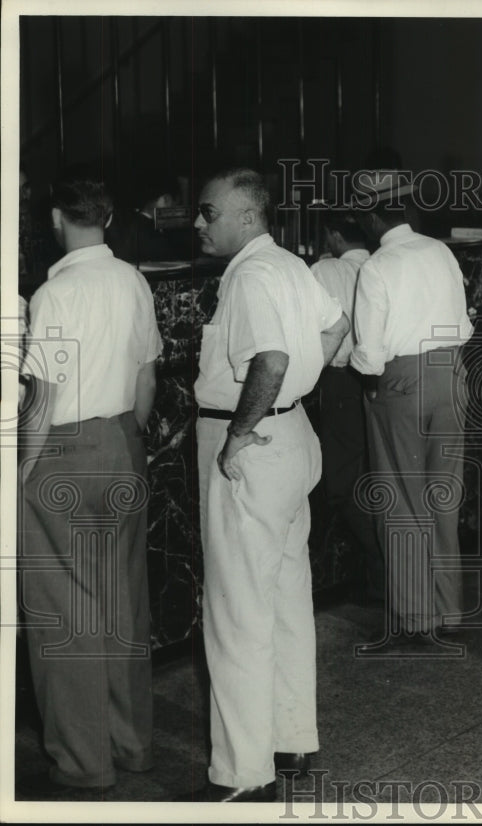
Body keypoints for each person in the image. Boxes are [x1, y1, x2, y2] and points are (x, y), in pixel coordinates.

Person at [183, 168, 349, 802]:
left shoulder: (251, 276)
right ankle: (292, 740)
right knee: (283, 594)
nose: (198, 223)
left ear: (246, 216)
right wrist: (298, 389)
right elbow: (335, 328)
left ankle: (242, 774)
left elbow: (270, 360)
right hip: (292, 439)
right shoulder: (288, 264)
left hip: (248, 443)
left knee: (236, 610)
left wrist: (238, 432)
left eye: (207, 211)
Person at [18, 170, 161, 795]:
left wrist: (21, 471)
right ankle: (133, 747)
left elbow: (42, 400)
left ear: (56, 220)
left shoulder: (56, 294)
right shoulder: (132, 279)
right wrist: (126, 437)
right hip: (123, 442)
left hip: (65, 454)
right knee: (122, 602)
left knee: (65, 612)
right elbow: (148, 379)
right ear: (106, 216)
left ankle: (83, 762)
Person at [349, 169, 473, 651]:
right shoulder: (440, 250)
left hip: (400, 380)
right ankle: (450, 608)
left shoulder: (376, 267)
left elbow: (370, 352)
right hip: (452, 372)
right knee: (444, 494)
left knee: (401, 498)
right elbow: (463, 323)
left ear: (371, 215)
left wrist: (368, 380)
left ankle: (416, 616)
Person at [310, 210, 384, 601]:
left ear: (335, 235)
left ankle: (382, 568)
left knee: (341, 481)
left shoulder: (324, 272)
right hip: (381, 379)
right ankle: (382, 574)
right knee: (372, 475)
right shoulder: (380, 263)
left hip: (342, 381)